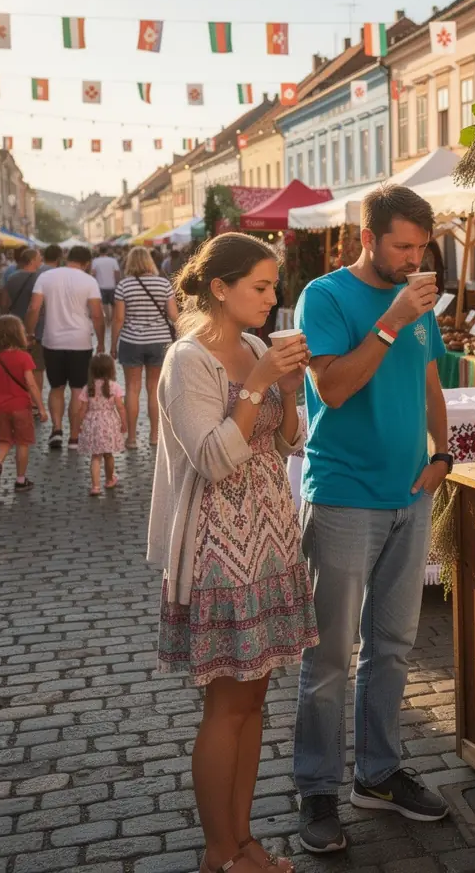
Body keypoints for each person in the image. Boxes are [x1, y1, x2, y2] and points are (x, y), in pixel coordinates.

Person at [147, 232, 317, 873]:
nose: (273, 300)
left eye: (274, 287)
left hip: (271, 538)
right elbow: (215, 459)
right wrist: (257, 386)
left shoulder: (253, 347)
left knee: (254, 700)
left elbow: (289, 442)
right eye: (261, 287)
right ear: (220, 288)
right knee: (225, 704)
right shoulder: (187, 361)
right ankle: (219, 851)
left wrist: (290, 387)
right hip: (219, 547)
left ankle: (244, 842)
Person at [294, 185, 451, 854]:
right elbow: (331, 386)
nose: (416, 260)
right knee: (331, 654)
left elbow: (429, 383)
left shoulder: (414, 300)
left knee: (391, 648)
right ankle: (318, 788)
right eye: (403, 247)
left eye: (422, 248)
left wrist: (441, 453)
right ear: (369, 238)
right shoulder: (325, 297)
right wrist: (389, 319)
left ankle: (379, 774)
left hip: (408, 495)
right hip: (343, 496)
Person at [24, 245, 104, 450]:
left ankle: (57, 430)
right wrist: (102, 342)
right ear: (87, 263)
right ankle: (74, 438)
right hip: (80, 342)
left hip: (53, 341)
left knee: (56, 388)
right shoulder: (89, 281)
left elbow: (34, 308)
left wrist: (28, 333)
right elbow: (97, 314)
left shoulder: (46, 277)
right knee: (78, 390)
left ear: (67, 258)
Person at [111, 247, 177, 448]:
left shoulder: (124, 285)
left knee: (132, 389)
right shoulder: (163, 284)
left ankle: (131, 439)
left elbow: (119, 318)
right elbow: (174, 316)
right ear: (149, 262)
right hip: (159, 341)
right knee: (154, 389)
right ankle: (154, 436)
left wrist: (113, 344)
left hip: (132, 341)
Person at [0, 316, 48, 493]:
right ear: (19, 334)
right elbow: (32, 384)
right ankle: (21, 480)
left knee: (3, 440)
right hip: (21, 407)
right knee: (22, 443)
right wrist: (41, 408)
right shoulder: (23, 357)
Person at [77, 353, 126, 496]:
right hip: (109, 423)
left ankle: (95, 486)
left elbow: (82, 409)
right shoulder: (114, 387)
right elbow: (120, 407)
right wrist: (124, 423)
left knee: (95, 456)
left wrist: (78, 424)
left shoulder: (88, 387)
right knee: (108, 455)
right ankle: (110, 479)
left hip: (92, 424)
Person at [0, 249, 45, 394]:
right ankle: (35, 403)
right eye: (39, 258)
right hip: (36, 330)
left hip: (14, 329)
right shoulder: (40, 278)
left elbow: (4, 302)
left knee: (16, 366)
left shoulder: (11, 277)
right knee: (37, 368)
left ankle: (19, 396)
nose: (41, 260)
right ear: (32, 261)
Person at [91, 245, 121, 325]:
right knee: (113, 304)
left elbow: (93, 273)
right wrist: (117, 282)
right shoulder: (113, 260)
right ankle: (113, 319)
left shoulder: (95, 261)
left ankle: (107, 320)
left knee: (104, 304)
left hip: (100, 285)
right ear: (107, 251)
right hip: (112, 285)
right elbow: (117, 272)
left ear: (99, 251)